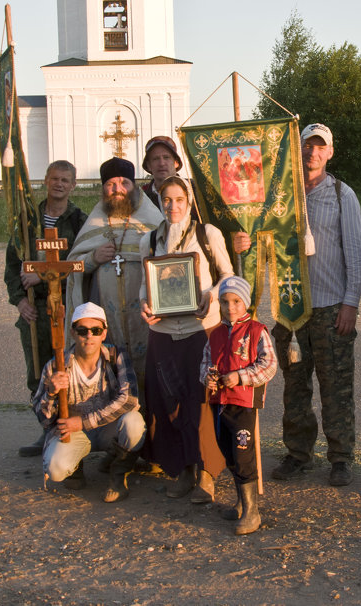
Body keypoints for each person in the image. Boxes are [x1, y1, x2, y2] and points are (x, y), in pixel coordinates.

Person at [234, 123, 361, 487]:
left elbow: (355, 257)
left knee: (336, 387)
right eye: (307, 145)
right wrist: (244, 244)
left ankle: (340, 456)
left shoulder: (343, 195)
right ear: (297, 149)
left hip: (331, 308)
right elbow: (262, 246)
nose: (312, 152)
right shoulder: (278, 196)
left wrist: (351, 305)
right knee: (295, 388)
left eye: (320, 146)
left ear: (330, 152)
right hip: (289, 309)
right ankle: (298, 454)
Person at [140, 176, 234, 501]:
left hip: (200, 331)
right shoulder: (151, 240)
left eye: (179, 199)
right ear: (159, 201)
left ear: (189, 201)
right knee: (168, 403)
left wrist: (211, 295)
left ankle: (207, 473)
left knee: (203, 403)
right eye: (167, 200)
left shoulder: (207, 235)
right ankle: (181, 470)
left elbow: (228, 275)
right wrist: (145, 304)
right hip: (163, 334)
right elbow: (145, 284)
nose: (173, 206)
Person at [66, 158, 163, 414]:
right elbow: (73, 267)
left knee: (152, 367)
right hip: (105, 314)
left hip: (145, 314)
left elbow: (170, 260)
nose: (118, 188)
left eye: (124, 182)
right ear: (102, 188)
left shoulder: (153, 220)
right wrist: (92, 259)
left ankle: (152, 432)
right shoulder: (94, 224)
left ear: (133, 186)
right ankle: (113, 432)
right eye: (111, 184)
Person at [5, 160, 87, 457]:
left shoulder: (79, 221)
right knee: (38, 373)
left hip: (65, 306)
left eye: (65, 180)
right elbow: (13, 266)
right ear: (45, 180)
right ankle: (45, 431)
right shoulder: (28, 222)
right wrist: (20, 300)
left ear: (73, 184)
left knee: (67, 372)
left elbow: (81, 264)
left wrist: (42, 275)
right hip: (35, 310)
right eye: (54, 179)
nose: (59, 184)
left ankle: (70, 432)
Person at [32, 301, 145, 503]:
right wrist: (50, 393)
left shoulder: (115, 356)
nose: (89, 336)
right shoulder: (56, 365)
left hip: (105, 428)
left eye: (95, 330)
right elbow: (45, 421)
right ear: (73, 333)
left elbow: (129, 400)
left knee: (133, 422)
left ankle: (118, 476)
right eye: (83, 330)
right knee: (56, 470)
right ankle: (76, 468)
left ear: (104, 333)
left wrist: (84, 422)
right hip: (73, 432)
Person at [200, 276, 277, 535]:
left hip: (243, 402)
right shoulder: (216, 334)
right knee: (228, 451)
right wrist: (208, 377)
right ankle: (241, 502)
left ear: (246, 302)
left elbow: (269, 365)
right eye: (225, 302)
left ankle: (252, 512)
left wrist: (241, 376)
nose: (230, 307)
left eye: (236, 301)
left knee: (243, 454)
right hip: (219, 402)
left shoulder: (257, 331)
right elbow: (206, 362)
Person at [139, 136, 183, 208]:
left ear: (176, 162)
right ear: (148, 165)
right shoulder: (141, 199)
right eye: (156, 159)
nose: (162, 163)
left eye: (166, 157)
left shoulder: (194, 193)